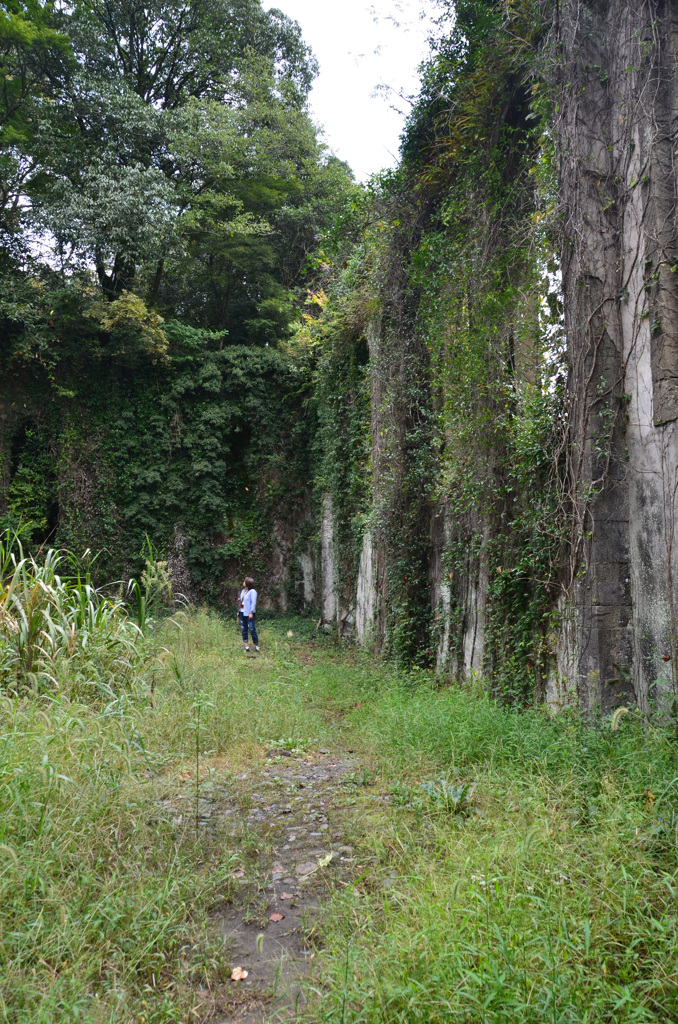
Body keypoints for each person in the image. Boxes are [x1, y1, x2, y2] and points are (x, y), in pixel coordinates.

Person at [241, 576, 259, 652]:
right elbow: (243, 600)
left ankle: (256, 645)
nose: (243, 582)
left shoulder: (253, 592)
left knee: (251, 629)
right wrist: (238, 599)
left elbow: (253, 603)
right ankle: (246, 645)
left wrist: (251, 612)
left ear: (248, 583)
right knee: (243, 629)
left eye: (244, 581)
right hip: (242, 612)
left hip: (249, 613)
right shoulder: (243, 591)